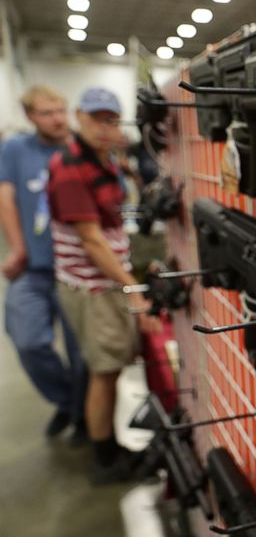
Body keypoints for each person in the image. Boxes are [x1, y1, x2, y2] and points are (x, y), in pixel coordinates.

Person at [47, 87, 160, 484]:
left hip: (105, 280)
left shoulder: (107, 162)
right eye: (96, 118)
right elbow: (92, 242)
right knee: (106, 372)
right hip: (93, 286)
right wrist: (134, 290)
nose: (104, 127)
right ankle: (106, 460)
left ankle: (108, 450)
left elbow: (114, 222)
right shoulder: (70, 169)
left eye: (111, 119)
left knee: (108, 368)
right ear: (79, 116)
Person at [0, 85, 87, 443]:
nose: (57, 119)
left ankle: (84, 417)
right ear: (30, 116)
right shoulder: (16, 149)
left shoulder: (80, 149)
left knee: (82, 351)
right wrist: (18, 248)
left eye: (61, 110)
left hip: (76, 270)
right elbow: (6, 197)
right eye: (47, 112)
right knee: (28, 340)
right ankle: (67, 401)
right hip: (34, 267)